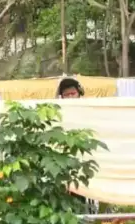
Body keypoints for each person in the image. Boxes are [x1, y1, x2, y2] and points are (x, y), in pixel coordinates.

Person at [56, 77, 98, 216]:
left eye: (72, 93)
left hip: (85, 163)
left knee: (86, 202)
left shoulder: (90, 112)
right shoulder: (57, 113)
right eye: (66, 95)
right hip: (64, 165)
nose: (69, 97)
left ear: (79, 93)